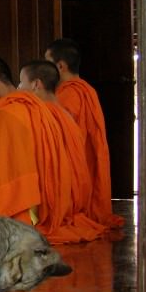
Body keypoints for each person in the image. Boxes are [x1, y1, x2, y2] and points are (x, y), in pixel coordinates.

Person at [0, 56, 103, 244]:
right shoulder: (31, 106)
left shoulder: (8, 113)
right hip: (54, 201)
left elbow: (7, 181)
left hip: (29, 209)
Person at [18, 60, 104, 235]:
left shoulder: (41, 116)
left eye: (21, 82)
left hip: (53, 198)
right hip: (72, 198)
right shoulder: (63, 114)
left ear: (36, 85)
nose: (18, 88)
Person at [45, 38, 124, 228]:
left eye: (47, 63)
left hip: (76, 158)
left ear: (61, 66)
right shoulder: (86, 89)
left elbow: (65, 128)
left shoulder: (71, 92)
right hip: (84, 156)